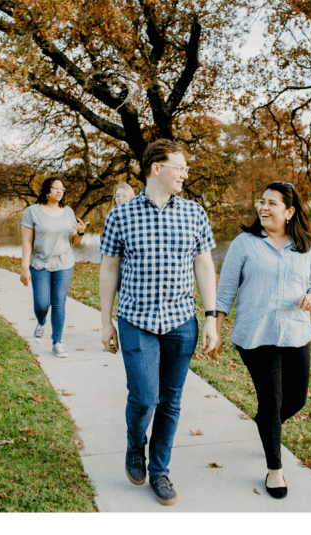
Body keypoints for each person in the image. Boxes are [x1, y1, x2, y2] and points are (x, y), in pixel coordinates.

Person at [98, 139, 219, 506]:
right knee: (145, 397)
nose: (185, 173)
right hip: (136, 319)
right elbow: (109, 269)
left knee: (170, 401)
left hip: (181, 321)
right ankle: (136, 445)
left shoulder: (195, 213)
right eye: (179, 167)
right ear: (156, 168)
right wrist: (105, 321)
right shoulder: (120, 215)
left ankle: (160, 470)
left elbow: (204, 265)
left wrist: (211, 318)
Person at [210, 181, 311, 498]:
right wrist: (216, 328)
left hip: (296, 332)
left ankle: (266, 424)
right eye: (261, 201)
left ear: (289, 211)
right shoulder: (244, 243)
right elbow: (226, 289)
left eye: (271, 203)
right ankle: (275, 470)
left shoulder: (308, 246)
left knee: (296, 399)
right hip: (256, 335)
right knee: (272, 400)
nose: (263, 207)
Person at [20, 177, 88, 359]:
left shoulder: (68, 212)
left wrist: (80, 233)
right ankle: (41, 322)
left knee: (59, 303)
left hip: (64, 263)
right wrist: (24, 268)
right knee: (42, 304)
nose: (60, 191)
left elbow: (74, 241)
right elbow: (27, 242)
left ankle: (57, 342)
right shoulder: (32, 212)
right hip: (40, 263)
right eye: (55, 188)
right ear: (46, 191)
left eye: (62, 189)